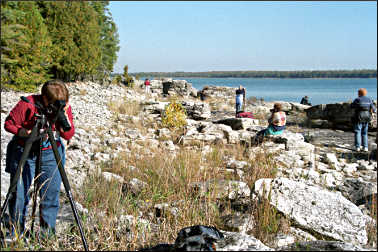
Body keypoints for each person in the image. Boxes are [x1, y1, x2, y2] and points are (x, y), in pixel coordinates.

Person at [4, 79, 75, 238]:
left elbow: (68, 134)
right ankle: (16, 232)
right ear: (44, 98)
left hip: (50, 152)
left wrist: (62, 116)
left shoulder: (62, 108)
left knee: (50, 195)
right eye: (55, 103)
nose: (59, 106)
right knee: (18, 194)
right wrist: (24, 132)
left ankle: (47, 236)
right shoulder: (27, 104)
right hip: (24, 150)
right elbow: (9, 123)